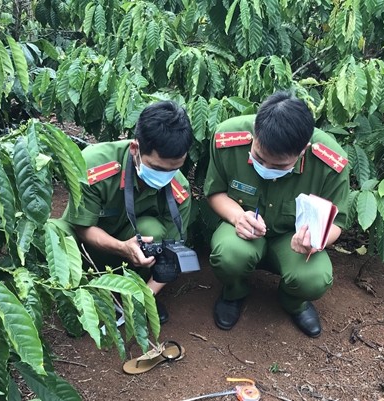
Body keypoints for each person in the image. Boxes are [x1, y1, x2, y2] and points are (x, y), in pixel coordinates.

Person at [203, 91, 350, 337]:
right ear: (255, 133)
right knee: (229, 254)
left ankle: (293, 301)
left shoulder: (330, 162)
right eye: (259, 158)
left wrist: (314, 240)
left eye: (280, 165)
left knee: (314, 278)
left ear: (303, 150)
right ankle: (234, 292)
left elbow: (337, 223)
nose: (266, 169)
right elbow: (215, 192)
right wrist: (238, 217)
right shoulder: (228, 138)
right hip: (243, 230)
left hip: (292, 240)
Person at [56, 100, 194, 324]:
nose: (165, 177)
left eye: (174, 169)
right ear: (135, 149)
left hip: (133, 257)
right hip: (86, 247)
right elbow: (82, 226)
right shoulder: (94, 165)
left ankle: (131, 290)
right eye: (158, 168)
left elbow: (172, 253)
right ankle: (75, 291)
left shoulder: (179, 190)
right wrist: (122, 248)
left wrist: (144, 299)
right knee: (55, 232)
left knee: (154, 231)